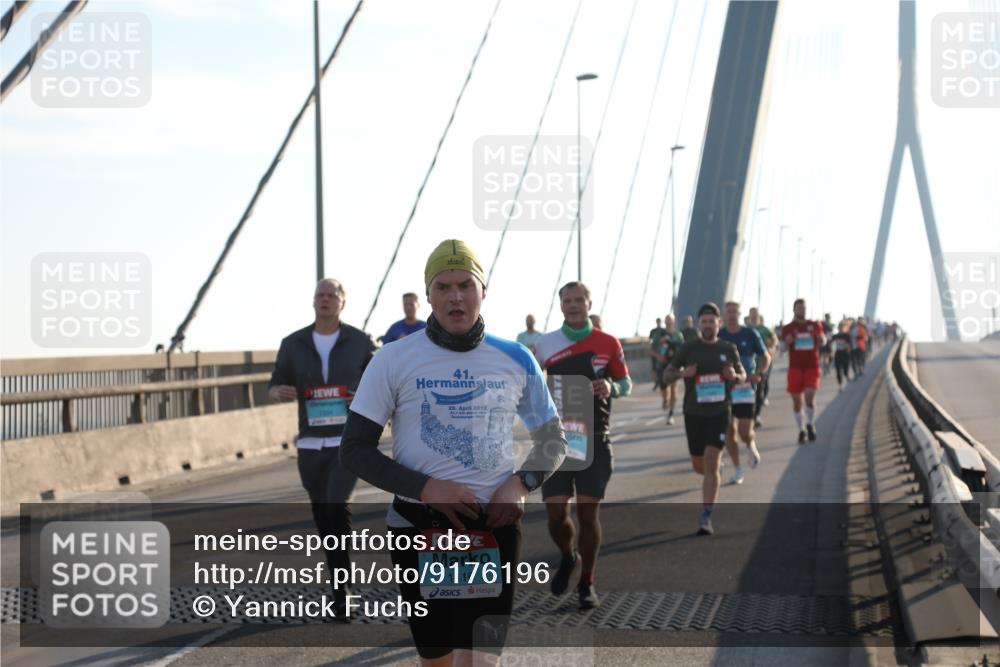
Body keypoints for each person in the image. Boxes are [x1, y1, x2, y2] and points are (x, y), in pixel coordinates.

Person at [340, 240, 567, 664]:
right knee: (439, 660)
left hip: (494, 526)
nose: (455, 296)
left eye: (465, 285)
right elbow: (354, 449)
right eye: (442, 287)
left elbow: (553, 438)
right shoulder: (393, 358)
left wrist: (521, 484)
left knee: (481, 660)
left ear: (484, 291)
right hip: (419, 529)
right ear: (428, 295)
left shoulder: (516, 357)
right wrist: (426, 488)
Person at [268, 278, 376, 616]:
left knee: (335, 504)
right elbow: (275, 382)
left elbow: (380, 382)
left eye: (331, 295)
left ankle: (342, 591)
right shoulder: (293, 343)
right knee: (322, 512)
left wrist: (364, 395)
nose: (325, 300)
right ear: (313, 301)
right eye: (320, 295)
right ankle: (338, 579)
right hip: (311, 442)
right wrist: (277, 392)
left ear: (343, 302)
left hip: (347, 440)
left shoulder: (360, 342)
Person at [535, 281, 632, 609]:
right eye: (568, 301)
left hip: (595, 438)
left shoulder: (608, 343)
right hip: (556, 439)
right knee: (555, 514)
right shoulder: (545, 344)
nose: (573, 305)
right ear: (561, 305)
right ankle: (568, 555)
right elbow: (530, 382)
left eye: (579, 300)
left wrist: (612, 387)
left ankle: (587, 581)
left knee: (588, 515)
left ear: (589, 303)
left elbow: (625, 381)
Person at [665, 302, 745, 535]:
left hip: (719, 412)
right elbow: (667, 375)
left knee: (711, 460)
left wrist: (734, 375)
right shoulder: (688, 348)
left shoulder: (728, 348)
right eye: (704, 322)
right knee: (699, 465)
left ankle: (706, 516)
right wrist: (683, 373)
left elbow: (742, 375)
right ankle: (714, 472)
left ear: (719, 323)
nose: (708, 325)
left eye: (712, 321)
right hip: (694, 413)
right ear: (699, 324)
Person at [718, 302, 770, 485]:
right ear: (724, 315)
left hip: (745, 389)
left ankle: (750, 444)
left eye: (735, 311)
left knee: (744, 432)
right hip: (724, 390)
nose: (732, 314)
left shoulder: (750, 334)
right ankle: (737, 469)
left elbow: (766, 356)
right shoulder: (719, 335)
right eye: (729, 311)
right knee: (729, 431)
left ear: (740, 314)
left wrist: (759, 373)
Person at [781, 298, 826, 444]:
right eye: (799, 308)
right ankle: (801, 430)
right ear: (794, 310)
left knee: (809, 397)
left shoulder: (814, 325)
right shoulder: (788, 328)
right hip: (795, 368)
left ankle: (810, 424)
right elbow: (782, 349)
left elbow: (824, 340)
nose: (802, 310)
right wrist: (786, 342)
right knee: (797, 402)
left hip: (812, 366)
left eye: (804, 308)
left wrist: (821, 339)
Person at [650, 314, 684, 423]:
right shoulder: (659, 334)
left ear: (674, 321)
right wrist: (658, 356)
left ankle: (671, 413)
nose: (669, 322)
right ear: (664, 322)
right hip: (662, 364)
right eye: (667, 320)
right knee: (664, 387)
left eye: (670, 320)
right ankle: (665, 399)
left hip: (675, 364)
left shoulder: (678, 334)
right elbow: (651, 349)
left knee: (674, 388)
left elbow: (683, 348)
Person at [747, 308, 776, 427]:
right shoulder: (745, 330)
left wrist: (771, 346)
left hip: (762, 363)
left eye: (756, 315)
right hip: (748, 366)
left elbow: (774, 341)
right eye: (752, 315)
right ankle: (748, 415)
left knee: (760, 389)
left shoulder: (765, 330)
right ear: (749, 317)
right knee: (748, 391)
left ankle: (756, 416)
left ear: (759, 316)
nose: (754, 317)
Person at [830, 321, 853, 390]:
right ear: (838, 328)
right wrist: (831, 352)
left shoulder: (847, 336)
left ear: (845, 328)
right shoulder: (835, 336)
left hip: (845, 354)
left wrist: (848, 347)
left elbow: (850, 346)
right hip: (838, 354)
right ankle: (840, 385)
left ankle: (847, 375)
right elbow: (830, 344)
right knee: (838, 371)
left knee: (845, 370)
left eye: (843, 327)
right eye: (840, 327)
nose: (841, 329)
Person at [648, 317, 666, 388]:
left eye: (659, 321)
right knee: (654, 368)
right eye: (657, 321)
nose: (658, 322)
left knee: (662, 367)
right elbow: (650, 340)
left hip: (662, 351)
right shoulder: (653, 331)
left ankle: (663, 379)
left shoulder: (664, 330)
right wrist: (650, 347)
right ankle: (656, 381)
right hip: (654, 351)